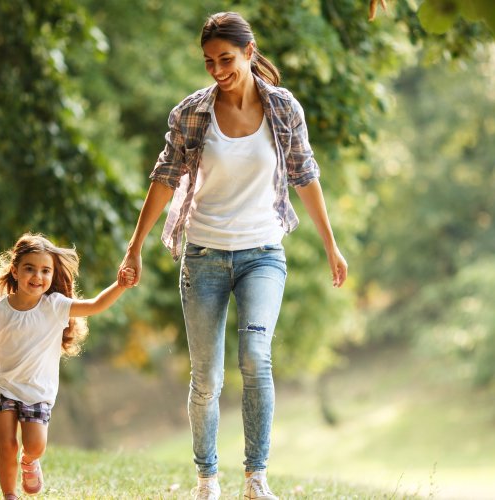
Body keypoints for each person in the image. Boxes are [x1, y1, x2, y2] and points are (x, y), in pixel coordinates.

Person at [117, 12, 347, 500]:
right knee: (206, 377)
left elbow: (306, 176)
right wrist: (135, 247)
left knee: (255, 358)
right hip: (202, 255)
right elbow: (164, 178)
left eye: (226, 59)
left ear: (249, 51)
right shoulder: (191, 113)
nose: (218, 70)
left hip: (263, 253)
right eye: (209, 62)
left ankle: (256, 477)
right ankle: (206, 479)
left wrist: (331, 246)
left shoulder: (283, 108)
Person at [0, 232, 134, 499]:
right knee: (6, 445)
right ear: (15, 270)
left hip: (37, 391)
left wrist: (121, 285)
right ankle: (9, 494)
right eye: (30, 269)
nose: (37, 276)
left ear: (52, 274)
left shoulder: (54, 306)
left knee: (35, 446)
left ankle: (30, 461)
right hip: (2, 386)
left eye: (45, 271)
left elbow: (95, 305)